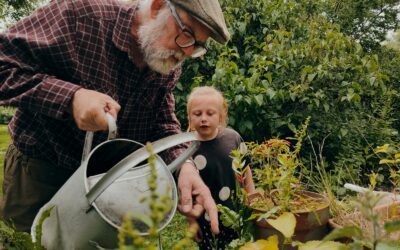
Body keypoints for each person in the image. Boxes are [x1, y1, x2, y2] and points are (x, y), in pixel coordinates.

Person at [0, 0, 230, 234]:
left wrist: (185, 166)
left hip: (106, 185)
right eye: (187, 33)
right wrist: (71, 98)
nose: (188, 52)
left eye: (198, 45)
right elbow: (4, 64)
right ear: (157, 7)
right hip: (40, 174)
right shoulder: (81, 16)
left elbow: (161, 123)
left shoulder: (167, 61)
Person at [185, 86, 255, 249]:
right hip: (205, 219)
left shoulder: (233, 138)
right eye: (197, 114)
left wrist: (252, 196)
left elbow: (246, 170)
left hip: (236, 213)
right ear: (189, 117)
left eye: (210, 113)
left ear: (221, 117)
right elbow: (186, 192)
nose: (203, 119)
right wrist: (191, 221)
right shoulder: (186, 148)